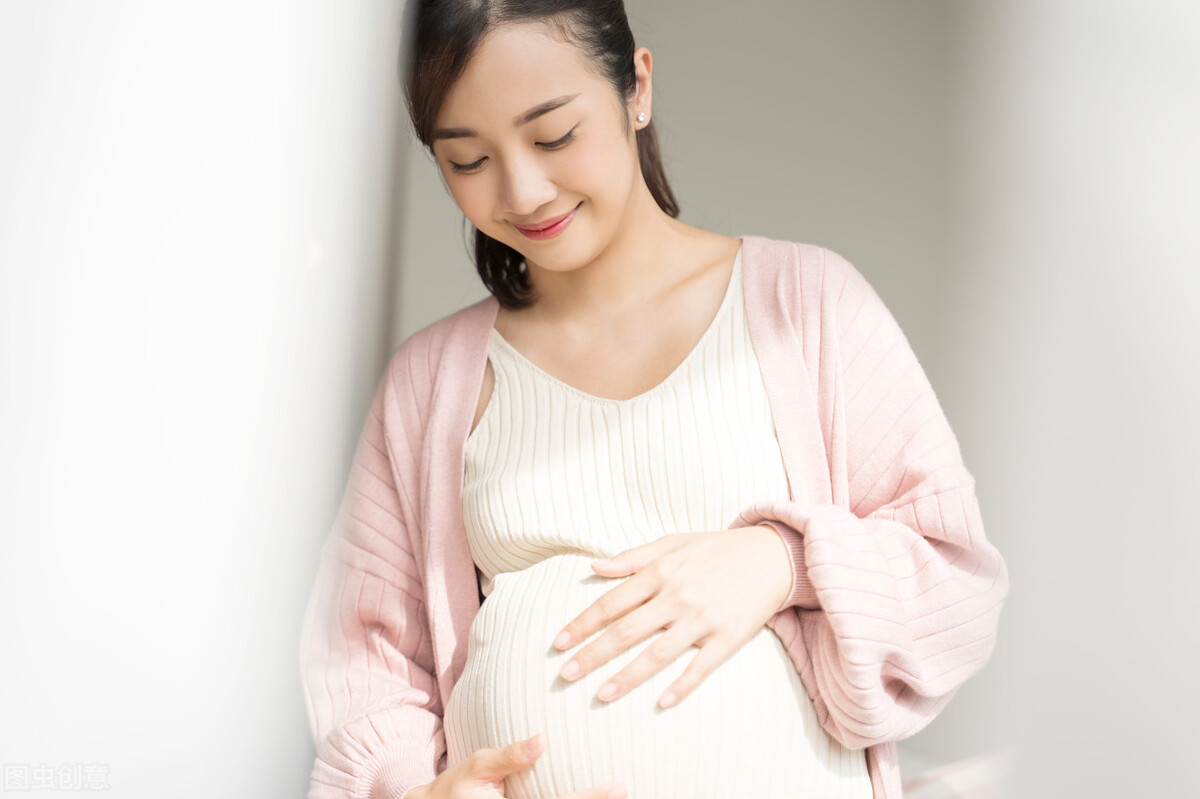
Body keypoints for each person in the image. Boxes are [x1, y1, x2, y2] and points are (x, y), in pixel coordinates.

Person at [298, 2, 1010, 798]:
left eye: (554, 135)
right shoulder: (428, 384)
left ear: (636, 86)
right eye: (468, 160)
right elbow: (368, 669)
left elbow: (955, 581)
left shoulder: (810, 307)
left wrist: (784, 560)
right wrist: (420, 793)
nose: (523, 190)